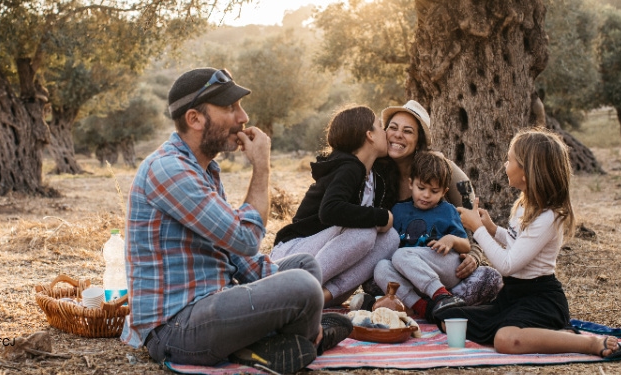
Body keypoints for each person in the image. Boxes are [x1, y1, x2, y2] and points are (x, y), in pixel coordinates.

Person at [121, 67, 352, 374]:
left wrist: (281, 281)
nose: (242, 117)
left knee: (305, 267)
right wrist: (261, 168)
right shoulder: (168, 170)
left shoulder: (204, 170)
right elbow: (244, 239)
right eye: (230, 108)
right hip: (176, 327)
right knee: (304, 287)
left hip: (213, 303)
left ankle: (275, 342)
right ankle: (308, 339)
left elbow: (235, 255)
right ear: (195, 119)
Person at [436, 128, 621, 359]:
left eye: (509, 160)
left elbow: (508, 265)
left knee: (505, 340)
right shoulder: (523, 205)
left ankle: (588, 344)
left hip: (540, 299)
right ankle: (534, 333)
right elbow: (518, 245)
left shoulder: (549, 217)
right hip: (512, 297)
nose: (504, 164)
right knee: (447, 318)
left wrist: (477, 229)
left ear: (527, 173)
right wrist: (492, 229)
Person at [368, 100, 502, 308]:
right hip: (404, 265)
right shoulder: (378, 172)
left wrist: (475, 256)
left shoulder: (442, 170)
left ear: (419, 140)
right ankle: (427, 307)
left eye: (408, 131)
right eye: (392, 128)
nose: (397, 135)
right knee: (376, 273)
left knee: (488, 279)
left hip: (440, 261)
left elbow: (471, 219)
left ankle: (438, 298)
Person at [271, 105, 399, 307]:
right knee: (365, 232)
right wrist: (381, 216)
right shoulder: (348, 167)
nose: (386, 132)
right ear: (370, 136)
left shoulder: (374, 177)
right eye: (381, 127)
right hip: (292, 254)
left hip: (326, 270)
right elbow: (329, 210)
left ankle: (323, 296)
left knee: (391, 238)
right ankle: (288, 296)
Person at [374, 151, 472, 319]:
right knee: (381, 268)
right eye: (421, 188)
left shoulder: (447, 210)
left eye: (434, 191)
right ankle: (424, 308)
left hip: (443, 267)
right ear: (411, 183)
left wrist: (451, 239)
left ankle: (443, 296)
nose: (426, 195)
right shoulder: (399, 210)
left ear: (444, 191)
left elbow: (466, 245)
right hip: (413, 275)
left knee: (400, 255)